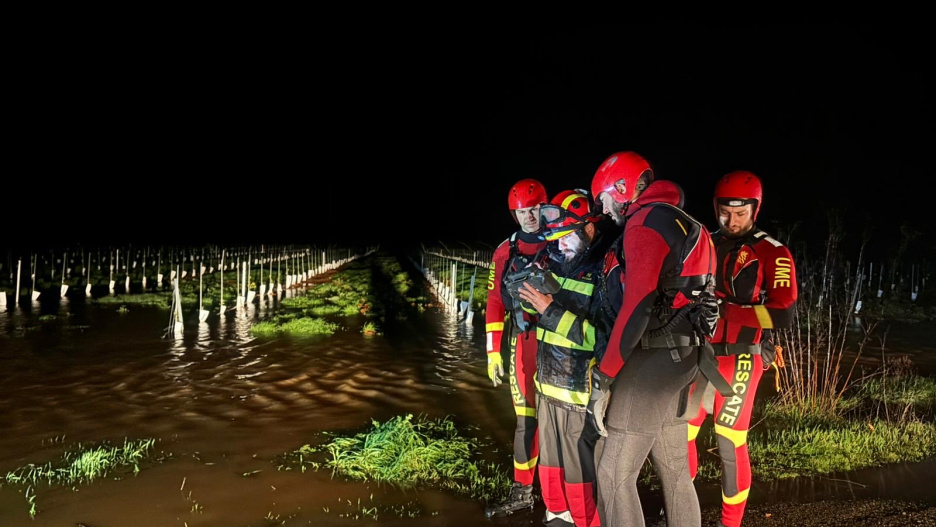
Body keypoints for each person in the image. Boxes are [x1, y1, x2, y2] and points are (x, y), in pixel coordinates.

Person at [587, 151, 719, 527]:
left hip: (654, 362)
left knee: (613, 474)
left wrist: (605, 376)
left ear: (622, 188)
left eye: (605, 199)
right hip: (685, 359)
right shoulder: (686, 223)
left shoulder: (645, 222)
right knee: (676, 471)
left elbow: (638, 307)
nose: (605, 209)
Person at [685, 170, 798, 527]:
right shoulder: (703, 242)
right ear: (715, 207)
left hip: (742, 356)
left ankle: (730, 522)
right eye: (725, 212)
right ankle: (680, 507)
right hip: (698, 354)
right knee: (681, 432)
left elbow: (782, 315)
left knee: (729, 441)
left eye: (741, 213)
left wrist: (730, 309)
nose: (732, 221)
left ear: (755, 209)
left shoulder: (774, 253)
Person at [517, 189, 614, 527]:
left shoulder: (605, 271)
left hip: (578, 397)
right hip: (547, 389)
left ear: (588, 228)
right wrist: (530, 305)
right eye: (553, 238)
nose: (558, 246)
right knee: (551, 478)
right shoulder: (556, 263)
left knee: (579, 484)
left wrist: (550, 311)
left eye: (564, 237)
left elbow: (604, 340)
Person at [484, 178, 549, 519]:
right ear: (515, 214)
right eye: (523, 212)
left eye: (535, 209)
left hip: (559, 343)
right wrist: (493, 350)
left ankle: (567, 496)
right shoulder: (504, 251)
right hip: (521, 341)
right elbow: (495, 300)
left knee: (562, 422)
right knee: (526, 420)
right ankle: (523, 490)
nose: (530, 217)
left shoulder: (562, 240)